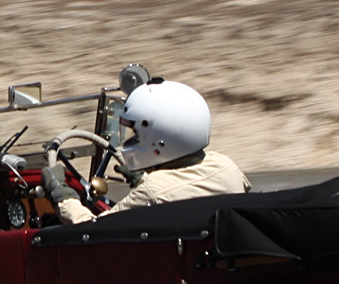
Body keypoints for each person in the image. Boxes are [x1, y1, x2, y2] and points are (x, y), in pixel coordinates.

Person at [44, 77, 250, 223]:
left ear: (160, 139)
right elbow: (186, 189)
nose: (132, 140)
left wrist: (63, 196)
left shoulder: (152, 193)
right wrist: (142, 180)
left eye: (136, 133)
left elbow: (90, 231)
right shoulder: (226, 165)